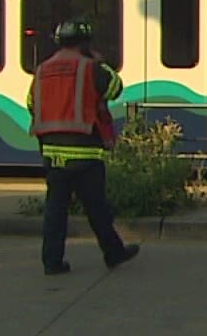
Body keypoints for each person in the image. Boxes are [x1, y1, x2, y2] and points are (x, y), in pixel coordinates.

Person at [26, 20, 139, 275]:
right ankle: (113, 253)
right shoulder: (90, 67)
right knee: (97, 208)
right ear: (85, 43)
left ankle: (52, 262)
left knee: (55, 211)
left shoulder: (43, 69)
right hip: (85, 151)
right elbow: (115, 88)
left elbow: (31, 104)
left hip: (53, 153)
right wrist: (99, 61)